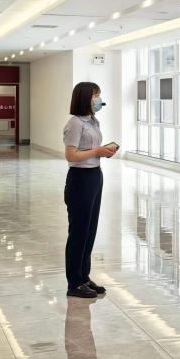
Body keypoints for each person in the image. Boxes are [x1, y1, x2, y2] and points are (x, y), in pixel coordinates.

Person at [62, 82, 117, 298]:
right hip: (80, 179)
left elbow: (92, 150)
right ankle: (74, 283)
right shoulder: (75, 123)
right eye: (95, 95)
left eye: (99, 94)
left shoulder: (93, 121)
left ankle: (84, 277)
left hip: (95, 175)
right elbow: (71, 155)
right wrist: (97, 151)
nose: (98, 99)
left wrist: (104, 152)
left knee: (89, 230)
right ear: (84, 97)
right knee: (78, 231)